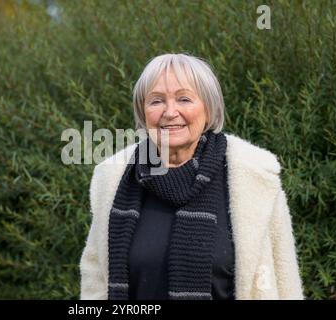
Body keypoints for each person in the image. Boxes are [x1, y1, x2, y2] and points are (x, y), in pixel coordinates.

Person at [79, 53, 304, 300]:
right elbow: (96, 276)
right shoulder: (113, 178)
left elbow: (285, 277)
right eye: (156, 101)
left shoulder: (254, 174)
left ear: (209, 108)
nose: (170, 112)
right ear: (143, 113)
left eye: (184, 99)